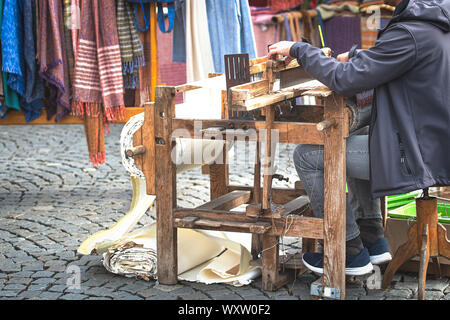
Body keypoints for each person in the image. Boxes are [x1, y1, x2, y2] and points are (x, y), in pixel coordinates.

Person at [268, 0, 450, 275]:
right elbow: (394, 59)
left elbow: (344, 80)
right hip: (433, 145)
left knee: (306, 155)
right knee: (359, 133)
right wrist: (356, 56)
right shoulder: (436, 25)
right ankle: (372, 238)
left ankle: (348, 250)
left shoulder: (411, 33)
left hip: (417, 155)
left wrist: (300, 50)